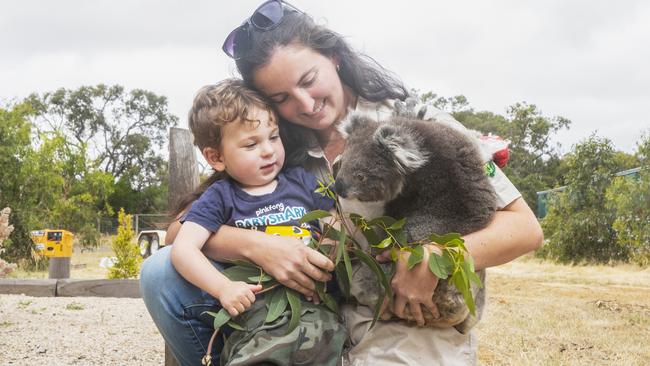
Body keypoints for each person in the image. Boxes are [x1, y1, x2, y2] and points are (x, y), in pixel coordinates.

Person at [141, 1, 543, 365]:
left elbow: (524, 229)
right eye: (280, 98)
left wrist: (435, 260)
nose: (303, 103)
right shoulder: (276, 149)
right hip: (309, 318)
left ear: (334, 57)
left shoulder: (414, 124)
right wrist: (260, 246)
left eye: (308, 79)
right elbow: (180, 232)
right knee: (161, 273)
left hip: (407, 325)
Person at [161, 78, 346, 365]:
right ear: (216, 157)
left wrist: (329, 253)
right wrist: (223, 288)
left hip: (316, 311)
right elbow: (183, 249)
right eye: (251, 144)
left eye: (273, 137)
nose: (268, 150)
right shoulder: (220, 197)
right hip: (258, 318)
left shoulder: (302, 183)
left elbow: (334, 221)